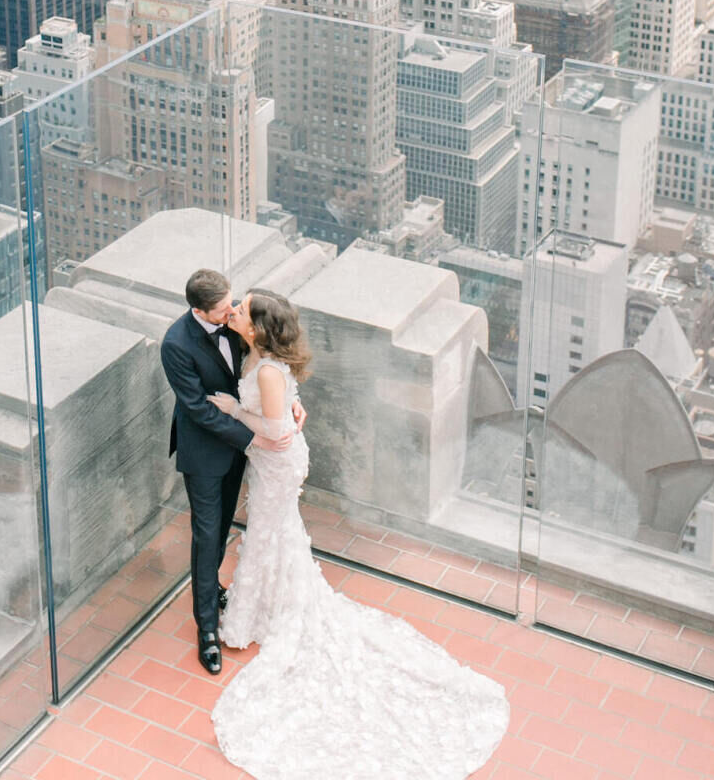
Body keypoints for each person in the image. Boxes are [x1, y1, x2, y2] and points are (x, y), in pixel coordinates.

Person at [206, 290, 510, 779]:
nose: (235, 309)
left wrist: (231, 411)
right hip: (272, 462)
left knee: (266, 532)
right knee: (274, 535)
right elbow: (286, 403)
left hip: (278, 463)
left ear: (259, 329)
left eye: (243, 308)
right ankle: (270, 603)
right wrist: (285, 407)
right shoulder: (257, 356)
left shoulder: (262, 368)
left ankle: (251, 617)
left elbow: (279, 432)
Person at [160, 269, 304, 676]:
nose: (233, 312)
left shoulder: (238, 325)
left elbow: (272, 362)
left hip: (242, 449)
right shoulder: (176, 344)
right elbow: (198, 408)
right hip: (206, 452)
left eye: (234, 304)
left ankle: (214, 591)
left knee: (222, 527)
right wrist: (252, 438)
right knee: (206, 537)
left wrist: (292, 403)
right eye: (225, 308)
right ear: (199, 309)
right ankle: (206, 628)